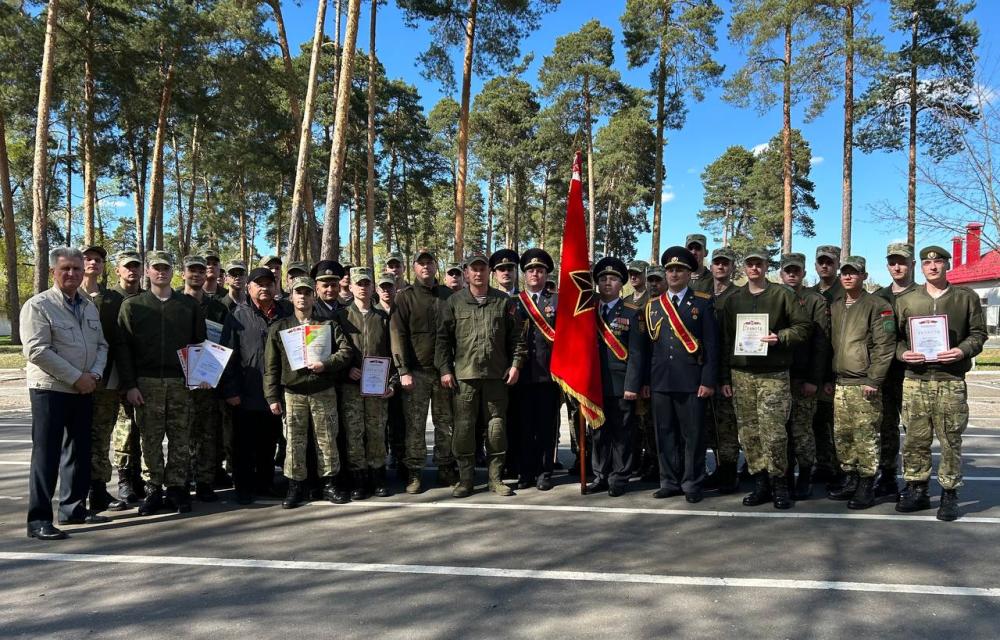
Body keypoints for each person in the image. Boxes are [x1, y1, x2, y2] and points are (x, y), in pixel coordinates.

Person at [22, 247, 111, 540]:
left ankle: (73, 508)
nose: (72, 273)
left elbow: (102, 345)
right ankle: (39, 520)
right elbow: (37, 350)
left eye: (76, 268)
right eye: (66, 269)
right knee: (46, 455)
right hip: (51, 389)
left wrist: (94, 375)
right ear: (53, 272)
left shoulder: (88, 306)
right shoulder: (38, 306)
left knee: (78, 451)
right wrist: (76, 377)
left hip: (84, 388)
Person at [894, 245, 986, 521]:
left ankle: (949, 494)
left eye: (938, 262)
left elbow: (978, 334)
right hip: (916, 380)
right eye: (927, 263)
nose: (932, 267)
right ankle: (917, 489)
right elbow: (895, 339)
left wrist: (962, 351)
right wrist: (903, 354)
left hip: (950, 380)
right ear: (920, 267)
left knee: (950, 440)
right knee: (914, 439)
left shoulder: (965, 297)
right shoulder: (908, 299)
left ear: (947, 265)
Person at [117, 250, 207, 516]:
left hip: (180, 382)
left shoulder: (188, 306)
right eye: (156, 267)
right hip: (147, 383)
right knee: (150, 439)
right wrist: (130, 385)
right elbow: (123, 348)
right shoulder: (133, 305)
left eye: (165, 268)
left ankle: (177, 488)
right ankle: (153, 488)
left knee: (180, 438)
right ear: (148, 271)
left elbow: (199, 344)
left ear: (172, 271)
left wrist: (200, 377)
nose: (161, 272)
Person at [719, 248, 810, 510]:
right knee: (749, 433)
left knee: (774, 433)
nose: (754, 268)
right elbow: (726, 340)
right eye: (750, 264)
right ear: (744, 268)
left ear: (766, 266)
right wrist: (725, 377)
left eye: (759, 264)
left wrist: (780, 337)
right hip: (742, 375)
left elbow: (803, 327)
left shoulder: (783, 295)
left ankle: (779, 484)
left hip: (773, 375)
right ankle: (760, 483)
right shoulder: (734, 299)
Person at [436, 252, 526, 497]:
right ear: (466, 273)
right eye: (473, 269)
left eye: (482, 269)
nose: (478, 273)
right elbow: (442, 340)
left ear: (489, 272)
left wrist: (516, 365)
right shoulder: (454, 302)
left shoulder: (503, 301)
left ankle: (495, 479)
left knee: (496, 427)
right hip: (464, 377)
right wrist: (445, 369)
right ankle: (466, 480)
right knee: (464, 429)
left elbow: (517, 338)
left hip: (496, 376)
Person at [264, 276, 354, 508]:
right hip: (293, 392)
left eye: (307, 292)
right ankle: (295, 486)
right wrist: (272, 396)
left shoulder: (327, 325)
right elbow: (271, 367)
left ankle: (329, 484)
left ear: (314, 296)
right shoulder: (279, 327)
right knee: (294, 441)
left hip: (322, 390)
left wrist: (326, 364)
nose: (302, 297)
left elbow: (346, 351)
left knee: (327, 439)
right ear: (291, 296)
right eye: (298, 292)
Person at [642, 247, 718, 502]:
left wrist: (708, 380)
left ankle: (692, 482)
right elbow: (647, 348)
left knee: (693, 436)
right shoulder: (653, 306)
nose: (674, 274)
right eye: (670, 270)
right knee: (664, 434)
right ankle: (669, 481)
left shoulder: (702, 302)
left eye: (680, 270)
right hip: (661, 380)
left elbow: (711, 345)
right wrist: (646, 381)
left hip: (691, 381)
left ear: (688, 274)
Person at [826, 256, 896, 509]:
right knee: (843, 435)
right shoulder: (836, 305)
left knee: (865, 435)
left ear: (864, 276)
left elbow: (885, 345)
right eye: (844, 272)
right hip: (841, 382)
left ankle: (867, 483)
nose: (847, 277)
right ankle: (851, 478)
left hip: (864, 383)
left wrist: (874, 379)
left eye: (853, 273)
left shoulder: (877, 305)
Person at [221, 267, 289, 504]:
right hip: (246, 391)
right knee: (243, 445)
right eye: (259, 284)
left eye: (269, 283)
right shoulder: (237, 315)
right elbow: (227, 355)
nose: (265, 288)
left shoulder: (285, 314)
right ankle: (243, 487)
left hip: (276, 392)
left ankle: (265, 483)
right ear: (249, 288)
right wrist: (231, 390)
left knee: (268, 442)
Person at [391, 249, 455, 493]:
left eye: (430, 262)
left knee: (445, 423)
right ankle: (414, 471)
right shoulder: (405, 297)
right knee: (415, 425)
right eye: (421, 263)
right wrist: (403, 370)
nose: (426, 267)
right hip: (416, 372)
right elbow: (397, 335)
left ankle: (445, 467)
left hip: (443, 372)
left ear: (436, 266)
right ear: (414, 267)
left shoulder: (448, 296)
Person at [586, 257, 645, 497]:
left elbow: (637, 353)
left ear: (622, 284)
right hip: (594, 384)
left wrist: (632, 385)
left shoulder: (632, 313)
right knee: (598, 432)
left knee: (622, 433)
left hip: (621, 384)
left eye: (612, 279)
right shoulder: (587, 312)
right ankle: (600, 475)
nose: (607, 283)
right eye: (602, 279)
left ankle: (619, 477)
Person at [337, 268, 397, 499]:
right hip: (351, 387)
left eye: (366, 284)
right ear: (350, 287)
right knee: (354, 433)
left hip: (377, 386)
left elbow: (394, 352)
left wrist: (392, 382)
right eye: (358, 284)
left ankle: (378, 477)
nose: (363, 288)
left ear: (373, 288)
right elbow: (333, 350)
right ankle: (358, 480)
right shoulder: (341, 316)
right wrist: (346, 371)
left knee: (376, 431)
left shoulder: (383, 317)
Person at [79, 244, 128, 513]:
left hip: (106, 380)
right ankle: (76, 492)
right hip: (73, 380)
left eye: (97, 260)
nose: (93, 263)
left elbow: (120, 341)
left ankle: (98, 490)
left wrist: (123, 379)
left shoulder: (112, 299)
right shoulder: (69, 295)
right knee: (77, 438)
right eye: (87, 258)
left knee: (101, 436)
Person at [778, 252, 830, 499]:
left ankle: (805, 476)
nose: (792, 274)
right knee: (781, 432)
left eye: (796, 271)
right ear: (781, 273)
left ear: (804, 273)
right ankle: (785, 475)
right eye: (788, 270)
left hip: (802, 377)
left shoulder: (814, 300)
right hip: (777, 376)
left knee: (802, 432)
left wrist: (814, 380)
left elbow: (821, 343)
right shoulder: (774, 295)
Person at [180, 255, 230, 502]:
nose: (197, 274)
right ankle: (182, 480)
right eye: (192, 270)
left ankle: (205, 481)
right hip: (181, 378)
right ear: (183, 273)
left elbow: (226, 342)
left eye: (201, 271)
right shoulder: (174, 303)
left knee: (208, 432)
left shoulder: (218, 307)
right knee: (182, 432)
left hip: (210, 378)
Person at [512, 248, 560, 491]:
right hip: (521, 374)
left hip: (548, 375)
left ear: (546, 274)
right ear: (524, 274)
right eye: (531, 270)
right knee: (523, 426)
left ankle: (544, 472)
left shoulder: (557, 301)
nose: (535, 274)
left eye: (540, 270)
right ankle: (526, 471)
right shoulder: (514, 301)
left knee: (545, 427)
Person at [872, 242, 917, 500]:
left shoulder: (923, 295)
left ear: (912, 264)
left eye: (902, 262)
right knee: (886, 427)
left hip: (913, 372)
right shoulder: (878, 296)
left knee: (914, 430)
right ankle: (887, 476)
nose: (897, 267)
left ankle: (914, 480)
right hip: (886, 373)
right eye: (892, 262)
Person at [106, 251, 145, 503]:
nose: (132, 270)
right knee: (125, 429)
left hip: (142, 374)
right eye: (127, 266)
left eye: (136, 266)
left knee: (142, 428)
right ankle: (124, 479)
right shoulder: (108, 299)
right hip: (115, 375)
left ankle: (139, 478)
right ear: (117, 270)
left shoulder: (147, 299)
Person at [704, 247, 741, 493]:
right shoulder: (702, 293)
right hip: (705, 368)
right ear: (711, 266)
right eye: (717, 263)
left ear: (732, 268)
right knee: (709, 424)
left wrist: (727, 374)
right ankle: (716, 468)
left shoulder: (739, 295)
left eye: (726, 263)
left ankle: (728, 472)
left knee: (727, 425)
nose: (721, 267)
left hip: (728, 367)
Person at [809, 245, 844, 486]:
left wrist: (830, 376)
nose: (825, 266)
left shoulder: (846, 292)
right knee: (818, 421)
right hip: (815, 367)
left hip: (836, 367)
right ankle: (823, 464)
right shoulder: (809, 294)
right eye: (821, 262)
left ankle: (841, 468)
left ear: (837, 264)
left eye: (830, 262)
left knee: (837, 424)